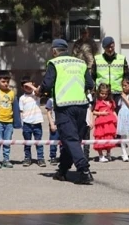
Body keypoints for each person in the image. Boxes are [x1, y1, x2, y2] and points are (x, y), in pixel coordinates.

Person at [29, 38, 95, 185]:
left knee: (70, 139)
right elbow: (90, 84)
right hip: (81, 106)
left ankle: (84, 170)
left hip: (64, 107)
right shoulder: (80, 63)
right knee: (71, 140)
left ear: (54, 51)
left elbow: (47, 84)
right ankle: (63, 171)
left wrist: (40, 91)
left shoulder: (54, 63)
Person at [0, 70, 21, 169]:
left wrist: (17, 122)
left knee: (7, 141)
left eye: (7, 81)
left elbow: (15, 107)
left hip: (9, 122)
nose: (6, 83)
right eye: (3, 81)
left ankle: (6, 160)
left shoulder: (11, 93)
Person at [93, 36, 129, 107]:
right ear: (103, 48)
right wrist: (93, 92)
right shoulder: (97, 59)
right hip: (102, 93)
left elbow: (126, 76)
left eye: (112, 47)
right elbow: (93, 76)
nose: (110, 49)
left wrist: (127, 92)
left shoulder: (121, 59)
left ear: (114, 45)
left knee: (117, 115)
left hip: (117, 93)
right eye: (107, 47)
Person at [20, 76, 46, 167]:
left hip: (37, 122)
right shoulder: (22, 98)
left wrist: (32, 86)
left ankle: (40, 158)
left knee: (39, 142)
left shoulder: (36, 95)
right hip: (27, 123)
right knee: (27, 142)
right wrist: (21, 123)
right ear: (22, 88)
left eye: (30, 86)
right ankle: (27, 158)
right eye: (26, 86)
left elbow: (40, 93)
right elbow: (21, 111)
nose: (28, 88)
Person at [93, 83, 118, 162]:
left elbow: (113, 111)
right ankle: (101, 156)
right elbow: (94, 112)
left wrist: (117, 119)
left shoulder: (110, 102)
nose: (104, 95)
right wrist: (101, 113)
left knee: (109, 138)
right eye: (102, 93)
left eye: (106, 94)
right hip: (101, 123)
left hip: (109, 124)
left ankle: (108, 154)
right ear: (98, 93)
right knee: (100, 138)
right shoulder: (98, 102)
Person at [44, 97, 61, 165]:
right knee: (53, 141)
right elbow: (48, 113)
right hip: (55, 124)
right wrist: (51, 124)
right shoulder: (51, 100)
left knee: (64, 143)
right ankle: (53, 157)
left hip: (64, 124)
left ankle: (63, 157)